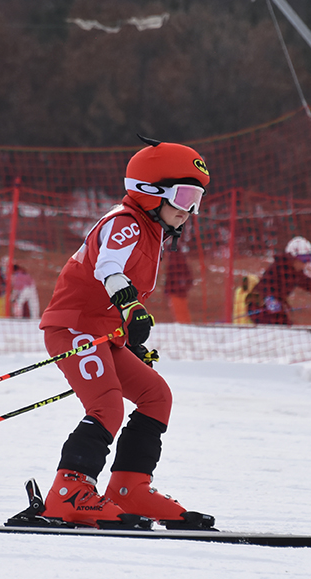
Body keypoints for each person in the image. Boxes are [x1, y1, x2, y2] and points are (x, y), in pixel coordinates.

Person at [30, 136, 214, 529]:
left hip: (102, 331)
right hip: (73, 326)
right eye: (183, 197)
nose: (189, 211)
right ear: (150, 190)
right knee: (108, 406)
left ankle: (129, 488)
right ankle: (68, 494)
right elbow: (107, 268)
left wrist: (127, 336)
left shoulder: (151, 233)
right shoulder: (124, 223)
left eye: (196, 201)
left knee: (155, 395)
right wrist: (131, 307)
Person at [247, 236, 311, 325]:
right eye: (303, 261)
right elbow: (266, 285)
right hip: (259, 308)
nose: (304, 265)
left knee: (286, 326)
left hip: (277, 307)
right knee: (275, 328)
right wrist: (269, 298)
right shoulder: (277, 268)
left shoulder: (295, 272)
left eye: (307, 261)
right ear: (292, 258)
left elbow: (309, 284)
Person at [164, 248, 193, 323]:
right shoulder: (180, 260)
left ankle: (183, 323)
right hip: (180, 290)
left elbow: (171, 276)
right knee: (181, 310)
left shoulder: (174, 261)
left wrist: (168, 289)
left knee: (179, 310)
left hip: (176, 291)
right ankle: (184, 323)